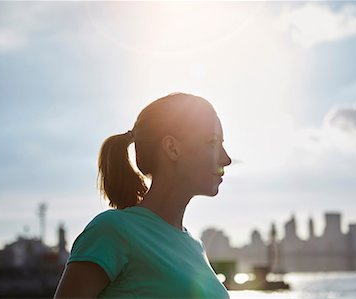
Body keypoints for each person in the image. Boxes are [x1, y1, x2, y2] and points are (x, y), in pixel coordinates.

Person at [54, 93, 232, 298]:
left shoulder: (195, 247)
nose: (225, 159)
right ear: (172, 148)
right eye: (212, 143)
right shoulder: (112, 231)